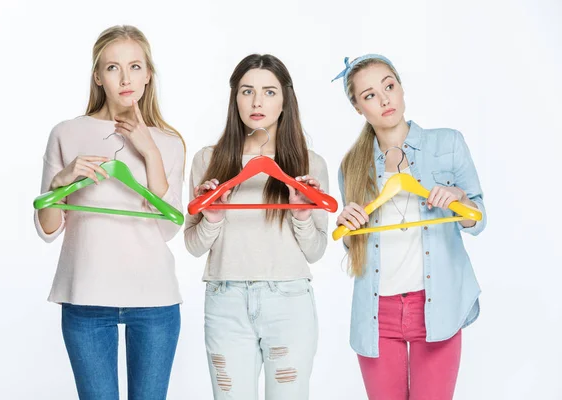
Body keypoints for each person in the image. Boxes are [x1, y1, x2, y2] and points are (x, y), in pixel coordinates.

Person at [34, 25, 185, 400]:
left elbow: (169, 227)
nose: (125, 78)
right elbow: (48, 228)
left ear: (148, 75)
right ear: (98, 77)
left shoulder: (168, 142)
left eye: (135, 66)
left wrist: (149, 151)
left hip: (154, 299)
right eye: (113, 67)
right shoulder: (66, 133)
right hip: (85, 295)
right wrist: (61, 182)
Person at [332, 54, 487, 400]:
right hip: (377, 313)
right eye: (370, 95)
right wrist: (348, 226)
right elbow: (355, 244)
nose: (385, 99)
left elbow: (478, 218)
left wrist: (459, 200)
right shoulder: (351, 166)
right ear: (358, 108)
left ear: (401, 88)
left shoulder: (447, 144)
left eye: (389, 86)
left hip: (438, 305)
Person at [184, 54, 328, 399]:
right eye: (247, 91)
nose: (257, 102)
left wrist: (302, 214)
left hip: (289, 302)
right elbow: (192, 245)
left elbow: (316, 250)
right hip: (225, 300)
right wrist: (213, 219)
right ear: (235, 98)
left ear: (285, 100)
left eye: (269, 92)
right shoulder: (208, 159)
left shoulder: (310, 163)